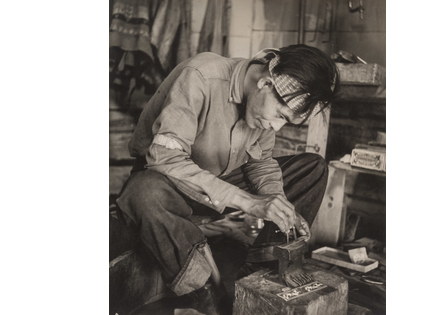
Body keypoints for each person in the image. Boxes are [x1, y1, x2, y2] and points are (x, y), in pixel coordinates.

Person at [116, 44, 339, 314]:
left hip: (219, 192)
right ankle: (205, 291)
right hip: (171, 184)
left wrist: (277, 201)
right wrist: (247, 201)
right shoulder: (201, 76)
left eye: (286, 121)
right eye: (279, 116)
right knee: (144, 192)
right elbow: (163, 158)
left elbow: (261, 161)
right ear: (265, 82)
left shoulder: (262, 109)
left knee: (312, 168)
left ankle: (262, 272)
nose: (276, 126)